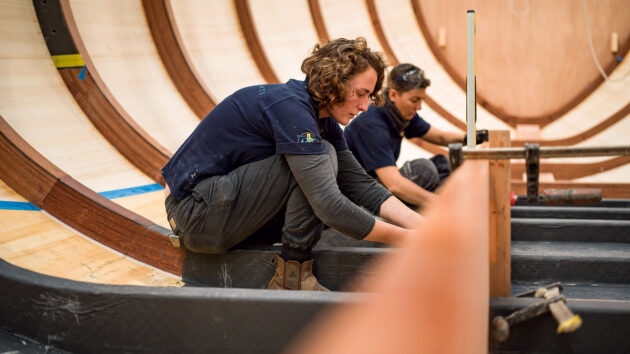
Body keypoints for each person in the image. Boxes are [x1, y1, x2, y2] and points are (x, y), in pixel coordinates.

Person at [162, 38, 423, 291]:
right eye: (360, 94)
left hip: (218, 209)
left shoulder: (321, 118)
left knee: (322, 159)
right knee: (321, 159)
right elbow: (330, 206)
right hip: (194, 217)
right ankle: (293, 276)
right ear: (333, 82)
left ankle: (293, 270)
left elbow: (360, 184)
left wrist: (422, 226)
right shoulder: (291, 108)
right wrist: (408, 239)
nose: (366, 106)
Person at [344, 63, 482, 209]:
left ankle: (429, 215)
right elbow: (394, 185)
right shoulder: (371, 125)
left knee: (442, 164)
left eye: (422, 100)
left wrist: (474, 138)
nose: (419, 107)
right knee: (423, 170)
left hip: (377, 187)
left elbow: (440, 137)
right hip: (357, 200)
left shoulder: (401, 114)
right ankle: (432, 217)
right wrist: (438, 202)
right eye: (415, 100)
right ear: (393, 95)